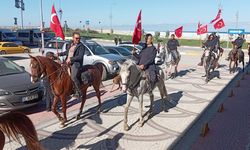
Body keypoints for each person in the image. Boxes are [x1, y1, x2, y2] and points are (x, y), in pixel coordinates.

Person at [57, 32, 85, 98]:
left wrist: (71, 59)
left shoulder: (81, 46)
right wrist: (59, 54)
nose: (78, 39)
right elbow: (67, 52)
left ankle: (79, 91)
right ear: (73, 38)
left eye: (79, 38)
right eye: (76, 38)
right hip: (66, 62)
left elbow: (80, 56)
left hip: (75, 64)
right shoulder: (70, 44)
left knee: (73, 77)